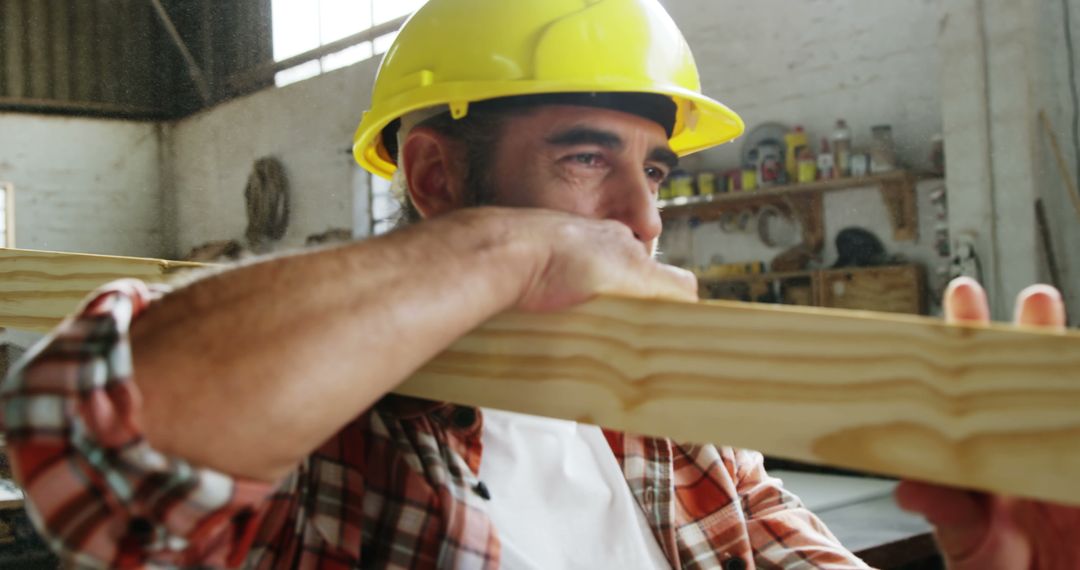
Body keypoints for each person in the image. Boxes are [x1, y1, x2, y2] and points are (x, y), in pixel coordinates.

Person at [2, 0, 1076, 568]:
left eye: (651, 167)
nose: (645, 218)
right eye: (583, 158)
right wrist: (513, 249)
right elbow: (86, 439)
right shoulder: (340, 439)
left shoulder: (668, 420)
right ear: (432, 173)